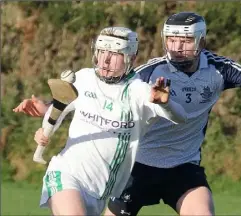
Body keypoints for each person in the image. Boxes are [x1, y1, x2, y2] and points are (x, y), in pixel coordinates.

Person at [14, 13, 241, 216]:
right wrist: (46, 108)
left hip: (183, 167)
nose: (177, 47)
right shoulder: (148, 73)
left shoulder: (220, 70)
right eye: (171, 40)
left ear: (200, 42)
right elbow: (96, 96)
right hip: (136, 168)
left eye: (185, 41)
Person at [13, 26, 188, 216]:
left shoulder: (140, 92)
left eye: (114, 53)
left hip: (100, 192)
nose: (105, 59)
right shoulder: (83, 78)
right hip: (67, 173)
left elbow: (180, 117)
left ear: (131, 57)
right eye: (102, 51)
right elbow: (60, 107)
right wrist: (44, 127)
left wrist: (166, 103)